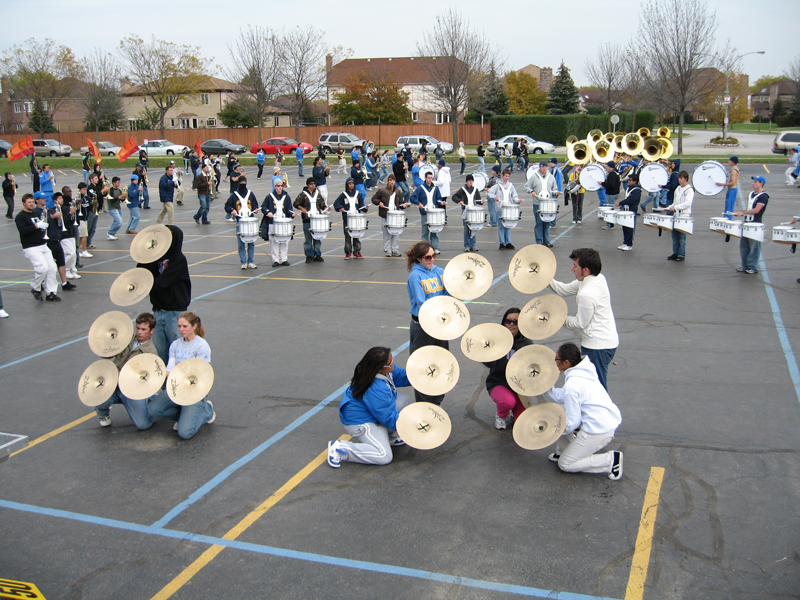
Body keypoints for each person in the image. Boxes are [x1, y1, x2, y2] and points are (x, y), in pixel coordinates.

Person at [542, 342, 623, 480]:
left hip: (598, 431)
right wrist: (543, 386)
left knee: (565, 464)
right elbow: (560, 396)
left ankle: (610, 460)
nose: (555, 362)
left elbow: (573, 423)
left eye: (557, 359)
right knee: (557, 414)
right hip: (603, 421)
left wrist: (550, 431)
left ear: (566, 362)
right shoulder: (584, 372)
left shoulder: (573, 385)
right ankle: (564, 451)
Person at [326, 346, 412, 468]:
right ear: (380, 368)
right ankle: (341, 449)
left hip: (373, 412)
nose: (393, 364)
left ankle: (390, 436)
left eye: (392, 360)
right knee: (384, 455)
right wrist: (412, 427)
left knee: (403, 400)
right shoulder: (376, 388)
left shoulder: (383, 370)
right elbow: (388, 417)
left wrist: (422, 377)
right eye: (390, 363)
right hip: (360, 421)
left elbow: (402, 376)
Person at [548, 248, 618, 391]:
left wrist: (558, 318)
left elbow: (580, 323)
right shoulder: (596, 278)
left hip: (598, 346)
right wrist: (545, 278)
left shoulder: (586, 294)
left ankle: (601, 413)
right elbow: (564, 289)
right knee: (591, 386)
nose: (572, 269)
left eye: (575, 266)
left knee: (596, 390)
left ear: (585, 270)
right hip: (604, 342)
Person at [148, 312, 216, 439]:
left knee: (185, 433)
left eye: (185, 326)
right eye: (179, 326)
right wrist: (158, 375)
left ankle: (206, 410)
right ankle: (185, 416)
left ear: (194, 326)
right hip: (177, 387)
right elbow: (170, 368)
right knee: (153, 409)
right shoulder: (175, 344)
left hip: (195, 390)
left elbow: (204, 373)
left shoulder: (202, 346)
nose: (181, 330)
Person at [94, 313, 159, 429]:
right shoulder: (125, 339)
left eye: (143, 329)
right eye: (138, 328)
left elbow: (149, 379)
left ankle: (153, 401)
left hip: (132, 390)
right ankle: (103, 415)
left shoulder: (151, 353)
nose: (139, 332)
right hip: (114, 384)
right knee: (96, 391)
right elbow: (107, 356)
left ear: (151, 331)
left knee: (143, 425)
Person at [137, 225, 191, 363]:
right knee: (159, 353)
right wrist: (146, 253)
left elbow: (162, 282)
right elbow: (142, 272)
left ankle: (178, 382)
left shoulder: (178, 259)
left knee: (177, 353)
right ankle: (162, 383)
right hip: (158, 310)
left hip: (174, 312)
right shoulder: (156, 259)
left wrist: (146, 284)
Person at [406, 241, 450, 405]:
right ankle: (424, 404)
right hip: (422, 326)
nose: (432, 259)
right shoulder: (415, 276)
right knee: (423, 365)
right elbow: (421, 302)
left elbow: (447, 294)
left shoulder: (440, 272)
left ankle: (436, 401)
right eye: (427, 257)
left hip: (439, 325)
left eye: (433, 255)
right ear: (419, 259)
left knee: (441, 362)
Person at [483, 308, 533, 429]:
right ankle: (501, 415)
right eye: (508, 321)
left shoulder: (527, 344)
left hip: (518, 386)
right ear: (503, 322)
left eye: (515, 322)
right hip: (499, 381)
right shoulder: (497, 340)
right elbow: (488, 364)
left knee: (522, 424)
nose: (511, 324)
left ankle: (513, 411)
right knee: (507, 402)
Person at [16, 193, 59, 302]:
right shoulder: (20, 217)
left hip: (42, 244)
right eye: (28, 202)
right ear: (23, 203)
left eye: (32, 202)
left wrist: (43, 226)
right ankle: (35, 287)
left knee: (52, 268)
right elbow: (23, 231)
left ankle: (51, 293)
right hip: (31, 247)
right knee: (42, 268)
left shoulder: (35, 213)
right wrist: (36, 226)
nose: (31, 204)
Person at [34, 192, 75, 293]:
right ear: (37, 200)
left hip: (56, 238)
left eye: (45, 198)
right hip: (47, 240)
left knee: (61, 261)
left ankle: (64, 282)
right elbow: (40, 223)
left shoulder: (49, 209)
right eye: (42, 198)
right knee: (48, 265)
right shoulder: (36, 211)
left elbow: (58, 223)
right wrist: (52, 217)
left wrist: (58, 218)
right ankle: (41, 283)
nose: (44, 200)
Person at [734, 176, 769, 274]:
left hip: (755, 225)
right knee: (744, 246)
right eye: (753, 181)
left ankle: (753, 267)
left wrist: (743, 213)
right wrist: (740, 212)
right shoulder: (751, 194)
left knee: (754, 247)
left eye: (755, 182)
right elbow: (750, 208)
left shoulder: (763, 196)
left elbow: (757, 210)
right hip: (747, 223)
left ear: (761, 183)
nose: (753, 183)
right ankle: (745, 265)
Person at [225, 179, 260, 269]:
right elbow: (227, 206)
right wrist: (232, 210)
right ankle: (243, 262)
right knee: (241, 243)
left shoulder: (250, 194)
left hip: (250, 221)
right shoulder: (234, 195)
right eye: (241, 183)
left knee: (251, 242)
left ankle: (251, 261)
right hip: (240, 222)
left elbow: (255, 204)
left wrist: (256, 209)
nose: (243, 185)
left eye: (244, 183)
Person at [523, 160, 559, 247]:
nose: (544, 168)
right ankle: (539, 241)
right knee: (539, 223)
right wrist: (531, 191)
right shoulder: (534, 177)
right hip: (538, 203)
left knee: (547, 222)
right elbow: (526, 186)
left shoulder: (551, 177)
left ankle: (546, 240)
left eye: (545, 167)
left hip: (548, 203)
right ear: (540, 167)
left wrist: (556, 192)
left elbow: (554, 188)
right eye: (542, 167)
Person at [372, 174, 409, 257]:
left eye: (393, 180)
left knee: (395, 234)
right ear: (388, 181)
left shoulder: (398, 191)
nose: (392, 182)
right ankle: (388, 250)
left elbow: (400, 203)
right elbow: (374, 198)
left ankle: (394, 249)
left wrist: (403, 206)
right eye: (390, 180)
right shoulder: (382, 190)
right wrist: (379, 202)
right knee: (386, 234)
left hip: (395, 216)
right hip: (386, 215)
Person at [410, 169, 446, 254]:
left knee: (435, 231)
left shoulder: (435, 188)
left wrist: (441, 202)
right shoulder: (420, 188)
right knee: (425, 232)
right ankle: (425, 249)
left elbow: (438, 199)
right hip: (425, 213)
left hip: (434, 213)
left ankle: (434, 248)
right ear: (425, 178)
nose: (430, 179)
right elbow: (412, 198)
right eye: (428, 178)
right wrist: (419, 203)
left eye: (431, 178)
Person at [294, 177, 327, 263]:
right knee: (308, 239)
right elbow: (296, 203)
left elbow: (322, 204)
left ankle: (317, 254)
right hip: (307, 219)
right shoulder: (303, 194)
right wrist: (302, 209)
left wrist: (326, 208)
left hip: (317, 219)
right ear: (308, 185)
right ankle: (309, 255)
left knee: (317, 238)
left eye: (314, 184)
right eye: (311, 184)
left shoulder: (318, 194)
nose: (313, 186)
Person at [263, 179, 296, 267]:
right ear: (275, 187)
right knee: (274, 242)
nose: (280, 187)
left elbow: (289, 209)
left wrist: (292, 214)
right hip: (273, 222)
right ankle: (275, 260)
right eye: (278, 186)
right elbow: (264, 206)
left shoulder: (286, 196)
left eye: (281, 186)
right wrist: (267, 212)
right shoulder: (269, 197)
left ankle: (284, 259)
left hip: (284, 222)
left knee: (284, 241)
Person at [334, 178, 368, 259]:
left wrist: (365, 208)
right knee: (348, 237)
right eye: (350, 184)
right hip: (347, 219)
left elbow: (361, 206)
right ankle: (348, 252)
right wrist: (340, 208)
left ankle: (357, 251)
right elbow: (336, 203)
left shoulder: (357, 194)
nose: (351, 185)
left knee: (356, 236)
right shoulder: (343, 194)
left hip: (357, 219)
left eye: (352, 184)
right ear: (347, 185)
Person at [665, 171, 694, 262]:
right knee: (675, 237)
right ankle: (675, 253)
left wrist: (676, 207)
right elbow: (675, 202)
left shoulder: (689, 190)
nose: (679, 180)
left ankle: (681, 254)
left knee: (682, 237)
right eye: (679, 178)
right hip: (676, 215)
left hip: (684, 215)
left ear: (685, 179)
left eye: (681, 178)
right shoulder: (678, 188)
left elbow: (687, 203)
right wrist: (669, 207)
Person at [452, 174, 484, 252]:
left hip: (473, 211)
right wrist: (460, 201)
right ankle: (467, 245)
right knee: (466, 229)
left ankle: (473, 245)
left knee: (473, 228)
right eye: (469, 180)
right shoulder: (462, 189)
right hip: (466, 210)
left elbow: (478, 200)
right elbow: (454, 197)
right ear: (466, 181)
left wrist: (481, 202)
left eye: (471, 180)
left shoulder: (475, 189)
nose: (470, 182)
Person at [615, 172, 641, 251]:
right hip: (626, 210)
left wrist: (621, 203)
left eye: (630, 180)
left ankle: (629, 244)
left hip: (631, 211)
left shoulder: (637, 190)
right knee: (625, 227)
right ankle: (625, 242)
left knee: (629, 228)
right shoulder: (630, 188)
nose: (628, 181)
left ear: (635, 181)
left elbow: (631, 200)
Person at [600, 161, 620, 230]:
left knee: (609, 209)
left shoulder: (612, 175)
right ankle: (610, 224)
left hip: (611, 193)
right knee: (610, 208)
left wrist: (602, 183)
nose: (607, 167)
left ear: (611, 167)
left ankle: (610, 225)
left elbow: (611, 185)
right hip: (614, 193)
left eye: (607, 166)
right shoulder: (615, 173)